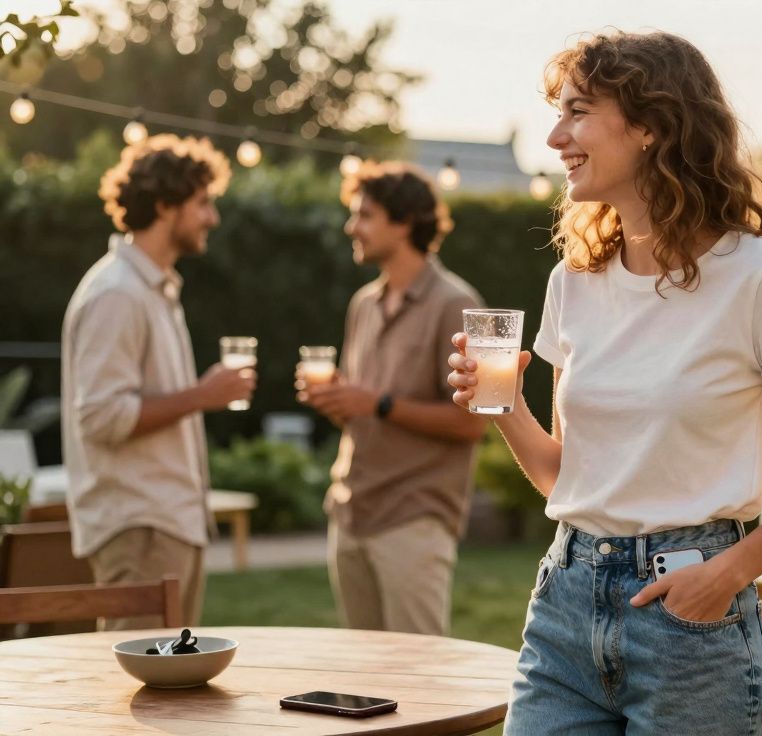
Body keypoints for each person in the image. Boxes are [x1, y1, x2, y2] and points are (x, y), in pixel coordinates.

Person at [446, 30, 762, 735]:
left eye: (577, 112)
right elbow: (564, 477)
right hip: (565, 604)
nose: (554, 136)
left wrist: (724, 576)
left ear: (650, 126)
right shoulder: (573, 281)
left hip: (689, 619)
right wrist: (504, 404)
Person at [62, 134, 254, 629]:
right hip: (139, 528)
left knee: (172, 690)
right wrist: (203, 395)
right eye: (203, 203)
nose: (212, 217)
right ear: (166, 205)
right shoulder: (118, 295)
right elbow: (101, 417)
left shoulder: (155, 289)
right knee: (139, 695)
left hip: (168, 525)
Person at [301, 161, 485, 636]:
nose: (351, 227)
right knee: (367, 678)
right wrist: (341, 400)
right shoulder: (363, 303)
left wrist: (377, 403)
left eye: (364, 215)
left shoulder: (456, 305)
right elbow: (364, 407)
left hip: (414, 519)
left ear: (404, 223)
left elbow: (472, 424)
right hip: (349, 511)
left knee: (421, 677)